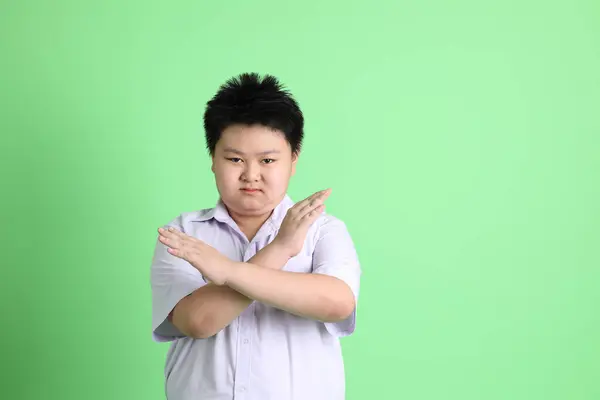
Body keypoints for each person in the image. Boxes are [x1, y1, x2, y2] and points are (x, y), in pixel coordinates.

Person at [150, 72, 362, 400]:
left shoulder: (323, 230)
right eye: (235, 159)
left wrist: (228, 271)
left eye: (267, 160)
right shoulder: (183, 235)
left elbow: (337, 303)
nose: (251, 175)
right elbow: (199, 321)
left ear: (293, 159)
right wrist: (280, 250)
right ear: (213, 159)